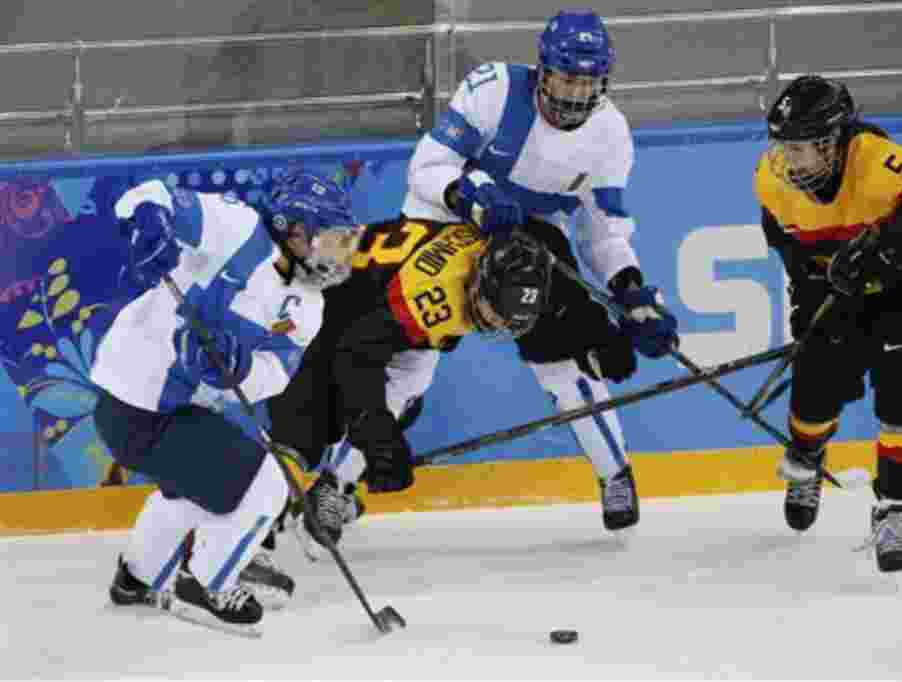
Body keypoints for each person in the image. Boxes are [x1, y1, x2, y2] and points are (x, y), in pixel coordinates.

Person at [296, 8, 679, 541]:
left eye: (588, 82)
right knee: (409, 366)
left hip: (525, 240)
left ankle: (615, 473)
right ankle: (334, 485)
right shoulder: (493, 89)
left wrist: (631, 291)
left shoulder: (611, 134)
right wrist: (467, 194)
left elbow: (603, 233)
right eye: (567, 78)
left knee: (565, 359)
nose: (574, 94)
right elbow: (427, 167)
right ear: (543, 69)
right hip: (441, 225)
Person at [91, 171, 360, 635]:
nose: (336, 252)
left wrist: (239, 371)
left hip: (174, 412)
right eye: (329, 238)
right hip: (135, 398)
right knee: (269, 480)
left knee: (201, 484)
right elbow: (148, 195)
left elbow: (275, 373)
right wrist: (150, 223)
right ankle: (207, 584)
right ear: (294, 229)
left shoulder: (308, 305)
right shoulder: (235, 229)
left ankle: (137, 577)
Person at [754, 75, 902, 572]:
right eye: (785, 147)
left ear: (833, 141)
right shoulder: (771, 177)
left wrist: (885, 251)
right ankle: (806, 460)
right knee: (814, 390)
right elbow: (788, 245)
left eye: (804, 148)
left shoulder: (877, 162)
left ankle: (893, 510)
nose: (792, 160)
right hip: (843, 291)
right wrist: (810, 291)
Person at [268, 220, 554, 554]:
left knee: (406, 394)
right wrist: (378, 436)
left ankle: (334, 482)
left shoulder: (500, 258)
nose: (497, 323)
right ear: (480, 279)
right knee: (320, 414)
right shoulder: (434, 295)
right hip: (338, 296)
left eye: (509, 321)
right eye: (495, 312)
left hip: (376, 297)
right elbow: (358, 355)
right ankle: (277, 505)